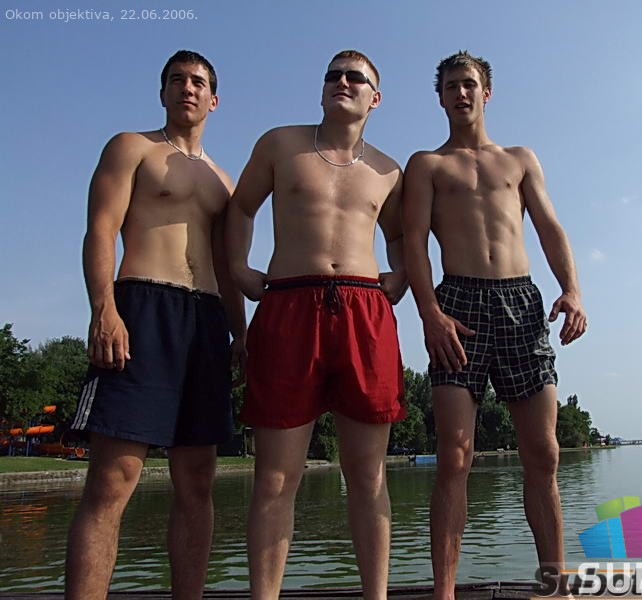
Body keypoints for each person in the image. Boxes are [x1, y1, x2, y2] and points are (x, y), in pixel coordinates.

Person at [403, 51, 588, 599]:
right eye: (451, 86)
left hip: (521, 302)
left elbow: (550, 226)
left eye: (469, 84)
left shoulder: (519, 159)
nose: (461, 93)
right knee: (454, 455)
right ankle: (444, 591)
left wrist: (572, 289)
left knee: (544, 452)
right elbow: (413, 242)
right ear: (439, 97)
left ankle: (554, 583)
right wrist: (430, 313)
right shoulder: (427, 165)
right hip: (458, 305)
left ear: (486, 92)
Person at [225, 50, 407, 600]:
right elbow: (241, 208)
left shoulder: (388, 170)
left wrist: (398, 277)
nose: (342, 82)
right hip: (289, 304)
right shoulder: (280, 144)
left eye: (356, 77)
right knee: (276, 477)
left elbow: (400, 236)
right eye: (333, 75)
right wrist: (238, 267)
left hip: (363, 310)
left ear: (375, 97)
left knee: (368, 475)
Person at [65, 50, 245, 600]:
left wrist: (240, 334)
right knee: (113, 479)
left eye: (198, 82)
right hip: (142, 307)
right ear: (163, 92)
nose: (188, 88)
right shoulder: (132, 147)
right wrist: (104, 308)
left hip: (205, 320)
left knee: (197, 481)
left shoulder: (223, 180)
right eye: (177, 80)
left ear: (214, 100)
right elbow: (101, 229)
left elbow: (226, 267)